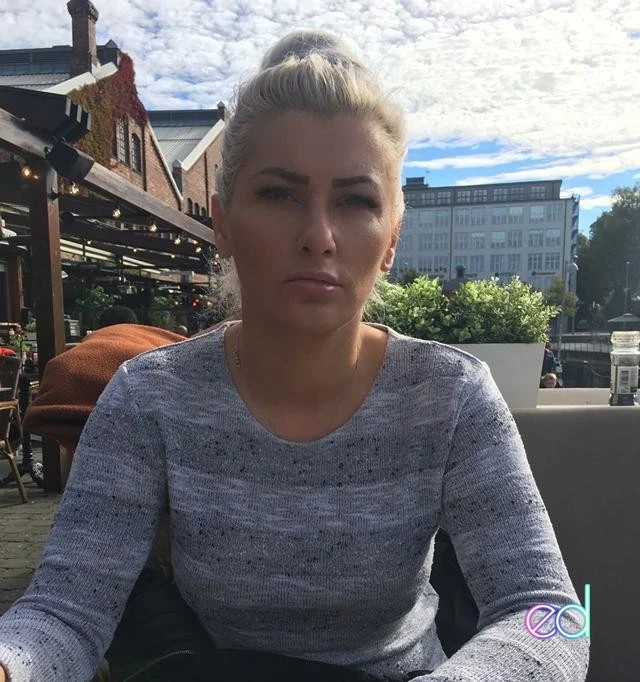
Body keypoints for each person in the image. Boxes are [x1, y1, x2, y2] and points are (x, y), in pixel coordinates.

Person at [0, 30, 589, 682]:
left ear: (391, 240)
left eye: (356, 201)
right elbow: (66, 610)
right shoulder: (149, 398)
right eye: (279, 194)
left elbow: (552, 614)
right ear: (223, 222)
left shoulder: (449, 397)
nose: (318, 236)